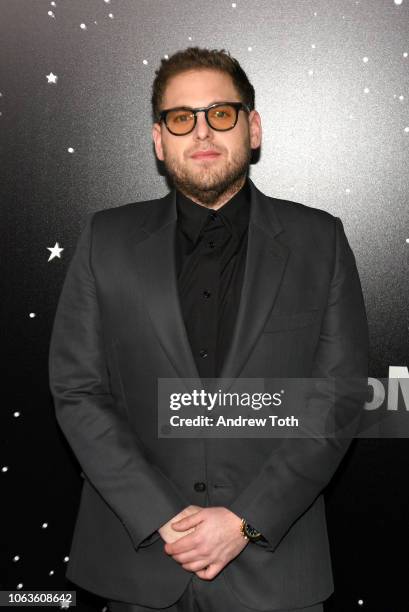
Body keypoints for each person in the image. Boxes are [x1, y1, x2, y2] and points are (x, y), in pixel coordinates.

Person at [48, 47, 369, 612]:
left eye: (221, 113)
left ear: (253, 127)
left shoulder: (321, 240)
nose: (202, 132)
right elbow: (77, 391)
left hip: (274, 570)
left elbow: (338, 398)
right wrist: (161, 517)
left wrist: (246, 521)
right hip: (139, 565)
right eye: (181, 118)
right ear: (158, 139)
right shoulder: (106, 240)